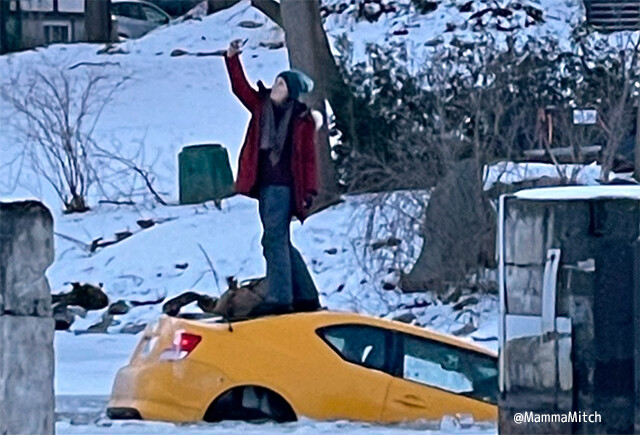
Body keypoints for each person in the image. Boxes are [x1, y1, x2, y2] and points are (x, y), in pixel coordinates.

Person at [224, 39, 321, 317]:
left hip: (285, 187)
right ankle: (305, 294)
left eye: (281, 85)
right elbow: (239, 88)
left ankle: (281, 297)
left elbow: (308, 159)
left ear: (290, 93)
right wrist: (232, 58)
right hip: (264, 185)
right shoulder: (261, 106)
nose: (275, 87)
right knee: (279, 240)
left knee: (273, 240)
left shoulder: (300, 119)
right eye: (276, 82)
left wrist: (309, 191)